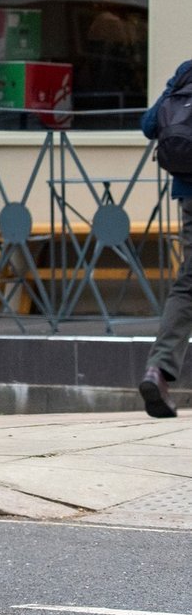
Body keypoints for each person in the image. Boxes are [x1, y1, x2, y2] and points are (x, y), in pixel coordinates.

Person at [138, 58, 192, 418]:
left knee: (189, 284)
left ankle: (157, 370)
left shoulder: (187, 71)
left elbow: (148, 124)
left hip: (190, 193)